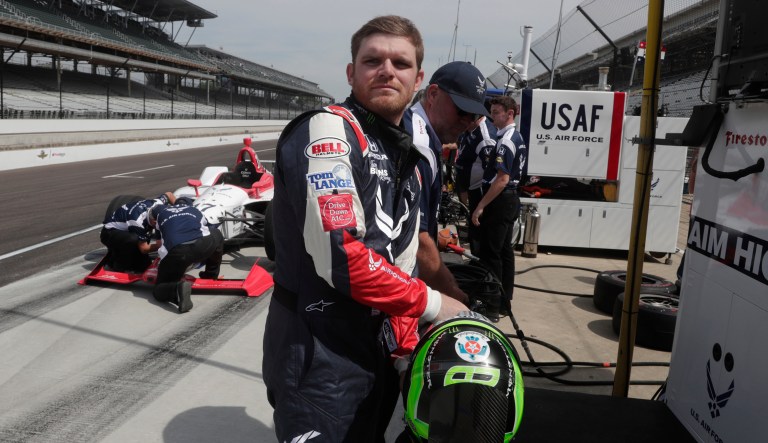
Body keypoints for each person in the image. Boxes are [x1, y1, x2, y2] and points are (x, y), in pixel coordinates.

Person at [262, 15, 468, 443]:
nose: (387, 70)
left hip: (376, 350)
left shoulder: (408, 158)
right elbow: (340, 255)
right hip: (318, 351)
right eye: (373, 60)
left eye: (401, 63)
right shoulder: (328, 130)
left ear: (418, 80)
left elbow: (403, 262)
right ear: (351, 73)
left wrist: (406, 344)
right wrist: (435, 304)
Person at [404, 60, 491, 305]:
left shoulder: (424, 133)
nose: (468, 121)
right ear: (433, 94)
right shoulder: (418, 143)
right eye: (462, 110)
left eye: (474, 115)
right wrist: (454, 295)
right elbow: (416, 239)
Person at [472, 95, 527, 305]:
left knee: (491, 252)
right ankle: (504, 300)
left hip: (501, 200)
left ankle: (492, 303)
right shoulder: (515, 136)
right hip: (510, 199)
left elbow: (502, 179)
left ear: (509, 114)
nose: (492, 117)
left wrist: (481, 205)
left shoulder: (506, 140)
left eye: (496, 113)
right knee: (504, 251)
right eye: (492, 112)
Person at [147, 198, 224, 313]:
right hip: (201, 245)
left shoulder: (161, 214)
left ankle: (176, 289)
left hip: (179, 252)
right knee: (216, 234)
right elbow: (206, 229)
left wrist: (164, 267)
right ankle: (211, 275)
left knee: (159, 289)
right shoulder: (195, 210)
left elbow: (161, 247)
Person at [455, 110, 497, 255]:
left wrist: (482, 204)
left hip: (480, 192)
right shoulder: (470, 129)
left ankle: (480, 262)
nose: (462, 122)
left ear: (475, 118)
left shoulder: (485, 138)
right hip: (472, 190)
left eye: (465, 119)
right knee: (473, 231)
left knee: (479, 232)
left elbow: (492, 174)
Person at [100, 192, 175, 273]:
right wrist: (161, 245)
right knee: (133, 240)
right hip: (109, 234)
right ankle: (116, 265)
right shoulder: (137, 222)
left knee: (145, 266)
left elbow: (169, 194)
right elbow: (144, 249)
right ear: (154, 221)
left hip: (129, 226)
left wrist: (179, 207)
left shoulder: (157, 203)